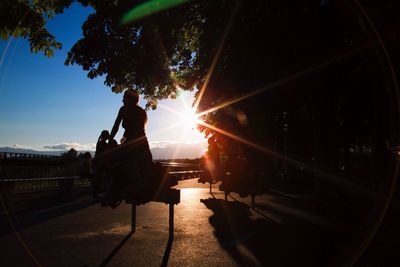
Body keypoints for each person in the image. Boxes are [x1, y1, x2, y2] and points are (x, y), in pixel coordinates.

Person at [109, 89, 153, 194]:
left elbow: (116, 126)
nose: (122, 99)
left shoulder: (124, 110)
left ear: (131, 99)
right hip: (140, 141)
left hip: (133, 141)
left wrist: (110, 140)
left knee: (124, 160)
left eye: (124, 97)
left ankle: (134, 184)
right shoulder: (141, 112)